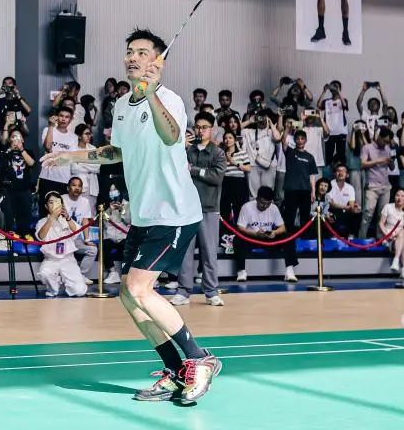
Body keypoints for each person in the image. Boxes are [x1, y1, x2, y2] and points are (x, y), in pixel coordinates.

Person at [41, 29, 220, 404]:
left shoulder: (170, 100)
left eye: (141, 52)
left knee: (140, 288)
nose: (132, 57)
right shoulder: (121, 105)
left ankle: (199, 359)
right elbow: (115, 152)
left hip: (173, 212)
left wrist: (151, 93)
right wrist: (71, 155)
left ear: (157, 62)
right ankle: (175, 371)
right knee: (127, 294)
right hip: (144, 215)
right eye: (129, 51)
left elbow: (171, 136)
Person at [174, 113, 225, 306]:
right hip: (188, 209)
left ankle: (211, 292)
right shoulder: (188, 150)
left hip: (209, 209)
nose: (200, 130)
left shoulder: (218, 153)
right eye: (198, 127)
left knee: (209, 253)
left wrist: (194, 170)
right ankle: (183, 292)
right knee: (184, 253)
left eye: (204, 127)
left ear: (212, 129)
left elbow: (217, 177)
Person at [278, 128, 319, 283]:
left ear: (305, 140)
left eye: (302, 138)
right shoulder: (290, 152)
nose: (300, 141)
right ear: (295, 140)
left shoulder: (309, 157)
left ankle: (304, 240)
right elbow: (283, 142)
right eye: (298, 138)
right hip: (291, 190)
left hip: (305, 190)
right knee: (289, 218)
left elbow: (312, 176)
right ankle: (288, 238)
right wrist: (287, 129)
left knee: (305, 217)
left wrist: (313, 191)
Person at [34, 192, 89, 297]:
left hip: (68, 259)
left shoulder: (67, 219)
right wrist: (51, 218)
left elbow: (77, 232)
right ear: (46, 206)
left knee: (80, 291)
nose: (54, 205)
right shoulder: (42, 222)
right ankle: (54, 287)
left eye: (57, 202)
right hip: (51, 260)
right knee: (45, 273)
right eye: (51, 202)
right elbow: (40, 236)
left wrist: (67, 217)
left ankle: (70, 282)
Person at [233, 185, 286, 283]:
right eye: (262, 203)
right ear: (257, 199)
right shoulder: (247, 207)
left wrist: (274, 232)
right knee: (237, 239)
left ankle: (289, 270)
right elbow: (240, 227)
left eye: (268, 204)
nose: (264, 206)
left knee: (286, 237)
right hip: (252, 237)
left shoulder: (274, 208)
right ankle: (241, 271)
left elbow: (282, 228)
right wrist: (256, 234)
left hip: (268, 237)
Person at [380, 189, 404, 276]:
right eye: (397, 195)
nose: (399, 198)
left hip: (402, 235)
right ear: (394, 197)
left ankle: (396, 260)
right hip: (388, 236)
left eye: (402, 196)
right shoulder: (388, 207)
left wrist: (398, 235)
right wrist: (387, 235)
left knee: (402, 234)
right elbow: (381, 223)